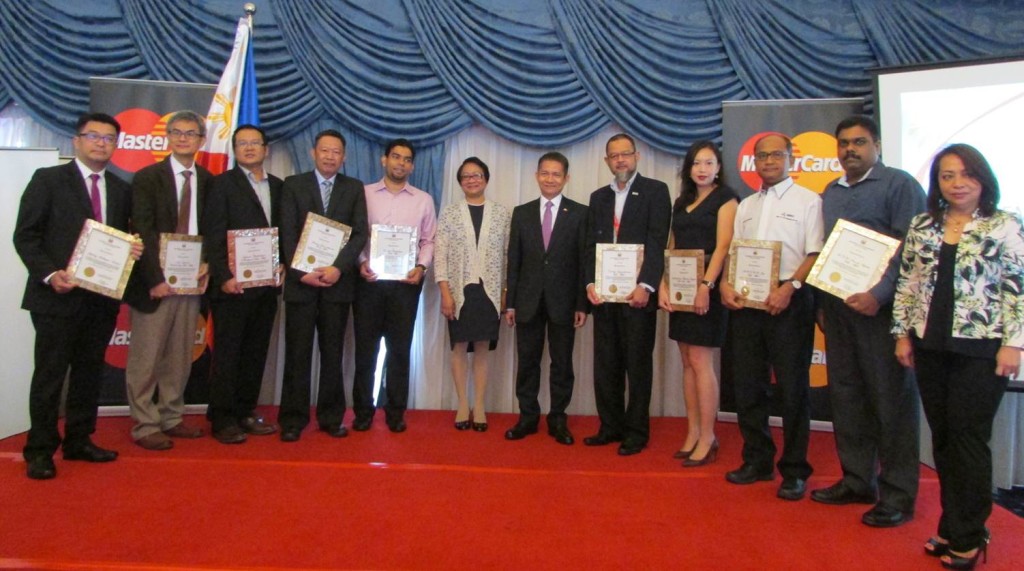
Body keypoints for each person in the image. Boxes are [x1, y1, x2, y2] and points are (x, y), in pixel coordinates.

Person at [892, 144, 1022, 570]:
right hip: (930, 345)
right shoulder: (923, 225)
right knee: (944, 439)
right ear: (938, 183)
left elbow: (1017, 288)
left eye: (966, 174)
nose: (957, 183)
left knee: (967, 439)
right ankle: (952, 524)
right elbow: (908, 283)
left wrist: (1015, 342)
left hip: (982, 348)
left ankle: (970, 532)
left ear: (982, 178)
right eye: (947, 175)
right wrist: (903, 334)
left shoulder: (1005, 226)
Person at [810, 115, 925, 528]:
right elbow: (828, 250)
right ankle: (857, 480)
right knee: (847, 396)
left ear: (876, 144)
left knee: (891, 402)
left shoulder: (899, 185)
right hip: (839, 312)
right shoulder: (831, 190)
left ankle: (898, 494)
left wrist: (878, 296)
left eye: (858, 142)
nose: (849, 151)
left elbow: (910, 252)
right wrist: (822, 301)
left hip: (883, 315)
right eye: (843, 144)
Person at [13, 112, 141, 479]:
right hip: (56, 298)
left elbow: (119, 242)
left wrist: (130, 251)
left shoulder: (120, 189)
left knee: (89, 373)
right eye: (94, 136)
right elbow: (26, 236)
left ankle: (79, 440)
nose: (101, 143)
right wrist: (51, 274)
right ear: (77, 140)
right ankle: (40, 449)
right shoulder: (48, 180)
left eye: (108, 138)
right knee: (51, 376)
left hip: (100, 299)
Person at [720, 134, 823, 501]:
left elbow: (815, 253)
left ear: (790, 158)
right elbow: (735, 252)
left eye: (775, 155)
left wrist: (790, 287)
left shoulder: (809, 201)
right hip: (748, 302)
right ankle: (757, 460)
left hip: (789, 299)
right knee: (749, 385)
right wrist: (726, 286)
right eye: (761, 156)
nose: (768, 161)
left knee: (793, 389)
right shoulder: (745, 205)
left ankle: (794, 470)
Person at [124, 110, 211, 451]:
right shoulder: (148, 177)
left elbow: (213, 231)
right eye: (177, 132)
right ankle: (145, 423)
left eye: (191, 133)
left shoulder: (209, 180)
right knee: (146, 356)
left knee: (178, 355)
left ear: (201, 140)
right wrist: (155, 279)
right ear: (168, 138)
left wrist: (209, 266)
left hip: (192, 281)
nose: (183, 138)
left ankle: (171, 416)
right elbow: (140, 229)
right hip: (154, 284)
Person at [583, 133, 671, 456]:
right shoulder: (598, 197)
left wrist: (647, 285)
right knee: (606, 364)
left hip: (638, 297)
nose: (620, 160)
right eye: (614, 156)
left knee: (637, 365)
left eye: (625, 154)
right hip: (604, 297)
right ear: (607, 161)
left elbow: (657, 239)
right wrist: (590, 283)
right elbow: (590, 245)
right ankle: (610, 426)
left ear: (636, 157)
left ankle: (636, 431)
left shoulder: (655, 191)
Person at [277, 129, 367, 442]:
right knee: (297, 354)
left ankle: (331, 418)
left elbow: (359, 234)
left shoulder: (353, 188)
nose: (330, 157)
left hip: (336, 285)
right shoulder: (294, 185)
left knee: (333, 355)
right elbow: (286, 232)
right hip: (301, 285)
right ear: (314, 152)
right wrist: (299, 271)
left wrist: (338, 268)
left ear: (344, 157)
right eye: (324, 151)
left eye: (336, 152)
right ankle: (292, 419)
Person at [657, 141, 737, 467]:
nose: (702, 169)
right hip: (680, 291)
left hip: (706, 292)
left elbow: (723, 247)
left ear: (718, 167)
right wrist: (664, 283)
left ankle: (708, 436)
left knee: (702, 362)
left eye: (709, 162)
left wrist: (707, 285)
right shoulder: (682, 201)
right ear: (688, 169)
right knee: (687, 361)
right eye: (696, 163)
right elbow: (672, 246)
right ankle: (692, 432)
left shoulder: (727, 199)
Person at [202, 124, 283, 444]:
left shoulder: (278, 187)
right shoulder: (221, 185)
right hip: (233, 287)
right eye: (242, 144)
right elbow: (213, 232)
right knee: (228, 353)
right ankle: (222, 418)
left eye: (255, 143)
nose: (249, 148)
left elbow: (284, 232)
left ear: (266, 149)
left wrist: (284, 266)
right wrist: (223, 277)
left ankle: (246, 410)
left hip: (266, 286)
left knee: (255, 352)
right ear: (234, 150)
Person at [352, 139, 436, 433]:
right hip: (369, 283)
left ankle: (395, 410)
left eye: (407, 159)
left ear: (412, 166)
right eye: (396, 157)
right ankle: (363, 411)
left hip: (405, 285)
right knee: (366, 350)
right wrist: (361, 261)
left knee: (399, 350)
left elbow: (429, 240)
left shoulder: (423, 200)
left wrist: (421, 267)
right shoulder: (362, 194)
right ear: (383, 160)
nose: (401, 163)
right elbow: (356, 235)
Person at [504, 152, 588, 445]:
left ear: (566, 178)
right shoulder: (522, 212)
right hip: (527, 301)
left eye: (556, 174)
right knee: (527, 361)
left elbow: (583, 262)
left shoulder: (580, 213)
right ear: (536, 176)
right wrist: (510, 303)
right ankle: (527, 416)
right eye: (545, 173)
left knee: (562, 363)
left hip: (564, 302)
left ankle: (558, 418)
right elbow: (513, 261)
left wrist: (581, 304)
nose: (550, 179)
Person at [435, 157, 511, 432]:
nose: (472, 180)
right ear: (460, 182)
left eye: (477, 175)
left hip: (489, 291)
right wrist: (445, 292)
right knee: (458, 346)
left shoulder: (502, 213)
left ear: (486, 179)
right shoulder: (450, 213)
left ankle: (479, 404)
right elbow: (440, 255)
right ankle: (462, 403)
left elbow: (506, 256)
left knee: (481, 347)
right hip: (458, 290)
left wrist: (505, 292)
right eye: (466, 176)